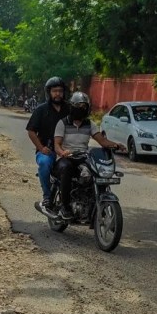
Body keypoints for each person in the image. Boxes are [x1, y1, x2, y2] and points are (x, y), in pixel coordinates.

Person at [53, 91, 124, 220]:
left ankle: (91, 201)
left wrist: (116, 145)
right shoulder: (62, 123)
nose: (82, 109)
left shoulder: (89, 124)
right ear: (72, 106)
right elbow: (57, 144)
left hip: (83, 157)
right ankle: (65, 207)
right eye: (79, 106)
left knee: (95, 171)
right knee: (66, 168)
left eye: (85, 106)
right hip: (66, 158)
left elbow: (102, 141)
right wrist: (62, 152)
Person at [26, 76, 70, 211]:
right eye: (55, 91)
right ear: (49, 92)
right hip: (48, 149)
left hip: (67, 149)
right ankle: (47, 195)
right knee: (44, 163)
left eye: (60, 91)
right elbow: (31, 131)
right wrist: (41, 148)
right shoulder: (41, 109)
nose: (58, 94)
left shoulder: (70, 109)